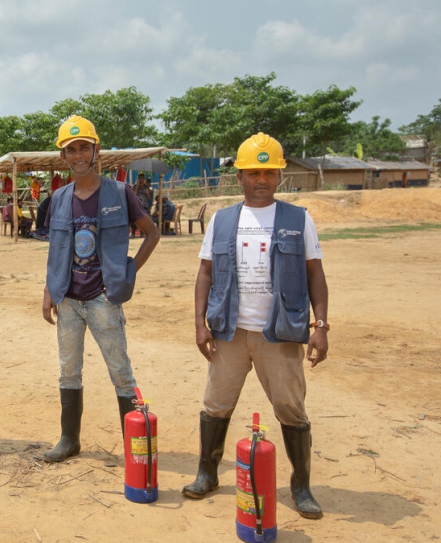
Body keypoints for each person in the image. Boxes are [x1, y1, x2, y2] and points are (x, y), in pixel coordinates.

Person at [183, 133, 329, 520]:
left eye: (268, 171)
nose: (260, 178)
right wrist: (200, 323)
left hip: (279, 333)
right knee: (216, 404)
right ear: (240, 177)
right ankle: (207, 473)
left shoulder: (298, 219)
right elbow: (205, 273)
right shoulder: (223, 219)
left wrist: (321, 325)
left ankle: (301, 487)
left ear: (279, 176)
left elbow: (315, 273)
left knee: (291, 409)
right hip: (230, 331)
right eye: (253, 172)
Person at [42, 115, 160, 462]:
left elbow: (152, 233)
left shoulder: (119, 193)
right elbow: (56, 249)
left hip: (103, 299)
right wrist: (49, 291)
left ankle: (133, 443)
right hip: (68, 300)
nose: (78, 155)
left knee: (120, 372)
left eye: (84, 148)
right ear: (63, 157)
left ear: (96, 150)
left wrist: (128, 271)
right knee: (68, 370)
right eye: (71, 150)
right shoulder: (59, 198)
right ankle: (69, 439)